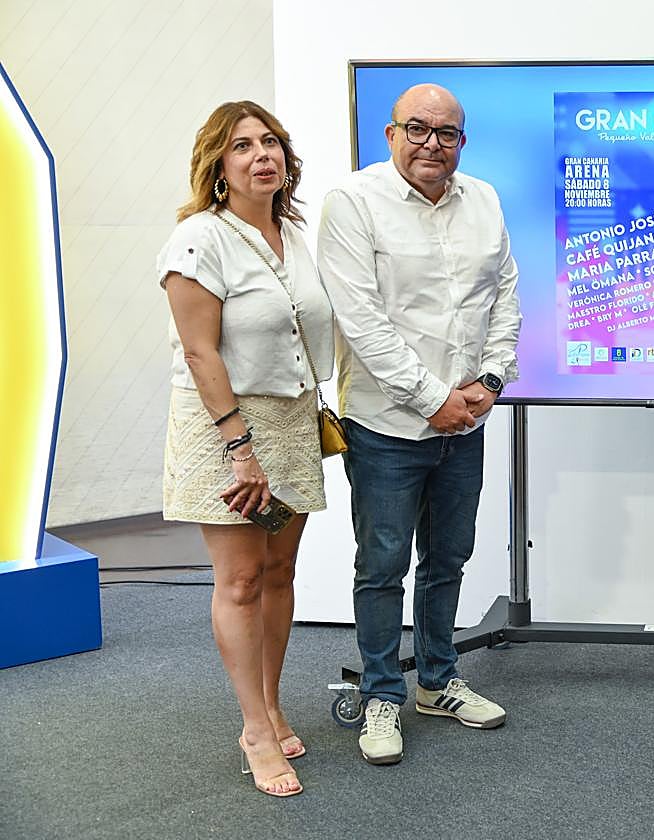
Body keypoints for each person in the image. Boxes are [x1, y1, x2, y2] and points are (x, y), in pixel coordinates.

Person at [318, 83, 521, 766]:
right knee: (382, 566)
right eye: (418, 128)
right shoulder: (353, 203)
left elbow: (507, 296)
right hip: (385, 426)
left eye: (447, 132)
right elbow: (362, 320)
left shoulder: (484, 199)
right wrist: (433, 396)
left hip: (465, 421)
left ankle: (437, 681)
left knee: (449, 558)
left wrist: (490, 381)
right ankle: (382, 692)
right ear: (390, 134)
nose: (432, 143)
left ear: (462, 140)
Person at [159, 101, 334, 797]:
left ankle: (270, 703)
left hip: (291, 421)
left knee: (281, 571)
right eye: (242, 146)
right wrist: (241, 448)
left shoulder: (292, 233)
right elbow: (201, 354)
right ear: (219, 166)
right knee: (238, 580)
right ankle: (255, 729)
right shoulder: (199, 239)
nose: (262, 155)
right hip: (224, 427)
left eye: (271, 143)